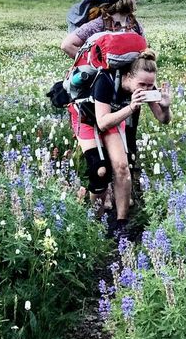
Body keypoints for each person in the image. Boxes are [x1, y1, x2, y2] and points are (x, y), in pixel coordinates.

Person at [68, 48, 171, 240]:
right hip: (86, 116)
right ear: (128, 76)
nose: (147, 89)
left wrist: (165, 107)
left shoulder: (147, 85)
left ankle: (121, 223)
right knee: (100, 170)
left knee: (122, 167)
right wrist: (132, 107)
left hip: (113, 117)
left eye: (151, 85)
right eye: (142, 84)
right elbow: (102, 122)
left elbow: (163, 119)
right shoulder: (105, 80)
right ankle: (96, 224)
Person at [61, 0, 147, 201]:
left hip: (126, 90)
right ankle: (98, 192)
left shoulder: (135, 25)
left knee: (127, 140)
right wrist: (94, 67)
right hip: (99, 90)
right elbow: (68, 45)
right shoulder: (99, 23)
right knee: (100, 141)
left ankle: (122, 193)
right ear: (126, 0)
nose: (135, 2)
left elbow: (142, 52)